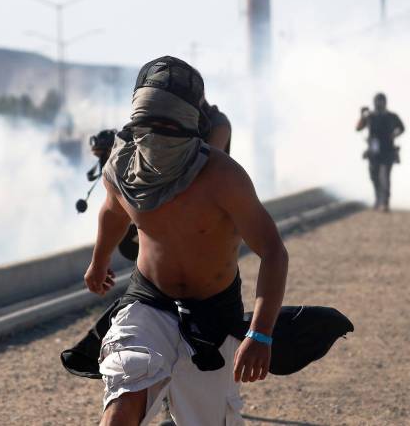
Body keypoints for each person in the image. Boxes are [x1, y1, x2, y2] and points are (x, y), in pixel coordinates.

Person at [83, 56, 288, 426]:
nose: (158, 135)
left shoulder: (222, 177)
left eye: (169, 126)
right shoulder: (122, 169)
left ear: (192, 125)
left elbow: (273, 251)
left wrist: (260, 333)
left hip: (214, 310)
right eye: (149, 124)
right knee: (122, 404)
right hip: (147, 300)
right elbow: (112, 213)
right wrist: (99, 262)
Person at [356, 92, 405, 212]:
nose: (379, 104)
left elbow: (402, 128)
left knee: (385, 177)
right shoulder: (370, 116)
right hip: (374, 151)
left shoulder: (392, 116)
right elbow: (358, 128)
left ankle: (385, 203)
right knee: (374, 177)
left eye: (381, 101)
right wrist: (362, 116)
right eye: (377, 101)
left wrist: (394, 135)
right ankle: (378, 199)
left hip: (388, 151)